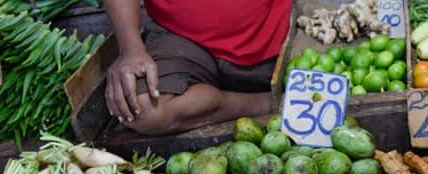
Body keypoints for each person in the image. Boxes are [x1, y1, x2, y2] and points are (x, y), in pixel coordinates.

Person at [103, 0, 290, 135]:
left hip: (268, 33)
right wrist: (130, 49)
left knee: (311, 86)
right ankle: (263, 102)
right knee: (142, 108)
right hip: (181, 37)